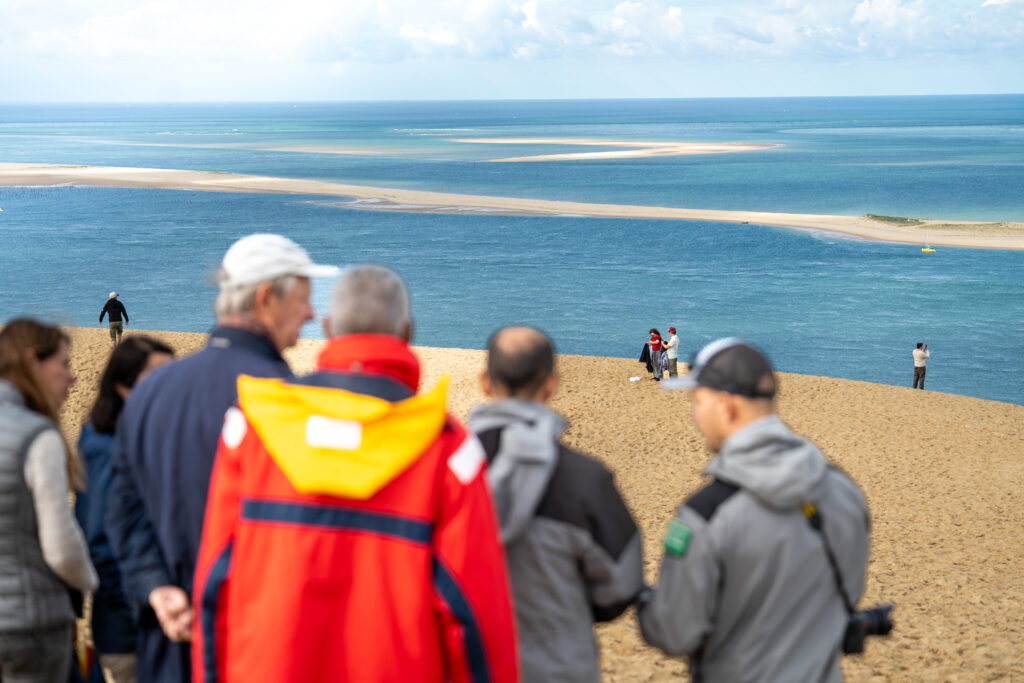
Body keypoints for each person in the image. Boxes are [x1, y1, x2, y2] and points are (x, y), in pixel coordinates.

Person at [191, 265, 519, 683]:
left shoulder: (250, 432)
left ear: (328, 328)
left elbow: (213, 588)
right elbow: (475, 620)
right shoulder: (449, 452)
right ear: (408, 332)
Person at [106, 234, 339, 683]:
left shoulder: (150, 391)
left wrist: (157, 587)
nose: (311, 314)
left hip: (167, 641)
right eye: (304, 300)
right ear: (266, 298)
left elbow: (123, 512)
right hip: (251, 649)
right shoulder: (288, 402)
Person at [639, 338, 870, 682]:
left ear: (726, 406)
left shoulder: (706, 515)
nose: (695, 416)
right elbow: (850, 592)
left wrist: (643, 599)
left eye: (698, 402)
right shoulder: (845, 490)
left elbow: (674, 634)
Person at [469, 326, 644, 682]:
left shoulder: (441, 472)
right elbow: (621, 586)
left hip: (470, 663)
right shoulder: (587, 479)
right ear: (551, 385)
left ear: (485, 382)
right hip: (560, 666)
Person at [0, 319, 98, 682]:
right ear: (31, 361)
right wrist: (90, 580)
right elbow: (61, 549)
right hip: (26, 623)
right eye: (64, 364)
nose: (73, 377)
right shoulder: (36, 435)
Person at [76, 336, 175, 683]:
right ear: (122, 387)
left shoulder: (151, 436)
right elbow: (99, 541)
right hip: (131, 627)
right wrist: (144, 601)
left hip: (157, 619)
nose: (169, 386)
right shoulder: (105, 445)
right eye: (157, 377)